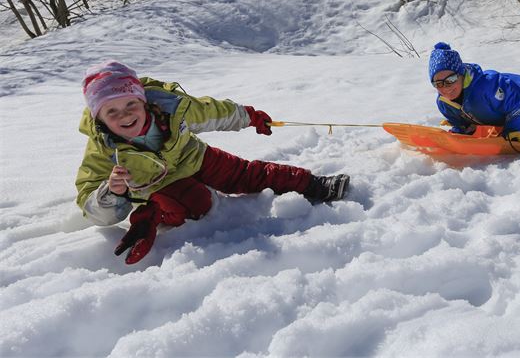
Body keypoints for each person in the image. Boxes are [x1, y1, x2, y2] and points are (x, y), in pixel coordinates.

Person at [76, 61, 349, 265]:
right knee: (198, 205)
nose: (125, 115)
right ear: (99, 118)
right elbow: (90, 205)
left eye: (130, 105)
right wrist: (113, 193)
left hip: (195, 157)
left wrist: (249, 117)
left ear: (143, 100)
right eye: (112, 111)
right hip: (161, 186)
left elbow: (212, 112)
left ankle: (313, 183)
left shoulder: (171, 109)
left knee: (248, 174)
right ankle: (151, 214)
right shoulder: (102, 149)